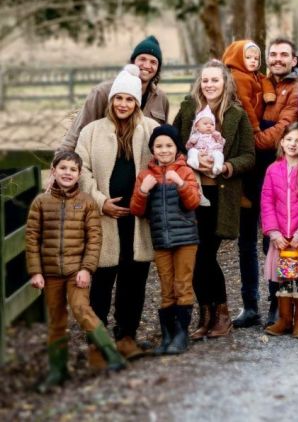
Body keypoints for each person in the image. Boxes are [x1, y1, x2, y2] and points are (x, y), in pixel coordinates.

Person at [75, 65, 158, 362]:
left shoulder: (149, 129)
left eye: (129, 99)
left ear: (137, 102)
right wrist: (100, 201)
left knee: (134, 280)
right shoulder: (92, 131)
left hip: (137, 220)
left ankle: (126, 338)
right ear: (111, 100)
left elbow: (163, 159)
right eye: (118, 98)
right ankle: (97, 344)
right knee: (100, 283)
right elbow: (81, 170)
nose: (123, 104)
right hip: (103, 220)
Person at [26, 151, 127, 389]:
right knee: (56, 321)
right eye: (63, 168)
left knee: (82, 309)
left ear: (79, 174)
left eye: (72, 170)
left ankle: (112, 355)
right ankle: (58, 371)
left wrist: (86, 269)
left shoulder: (86, 202)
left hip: (76, 272)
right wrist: (36, 271)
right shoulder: (41, 202)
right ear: (54, 170)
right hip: (50, 272)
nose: (67, 173)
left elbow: (94, 239)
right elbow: (31, 238)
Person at [172, 59, 255, 340]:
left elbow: (248, 155)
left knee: (204, 253)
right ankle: (205, 315)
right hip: (190, 192)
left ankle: (221, 314)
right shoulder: (187, 109)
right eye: (205, 80)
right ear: (200, 83)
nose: (209, 85)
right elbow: (171, 145)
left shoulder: (236, 115)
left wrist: (228, 166)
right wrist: (190, 161)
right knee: (193, 254)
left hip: (220, 194)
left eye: (215, 80)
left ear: (225, 83)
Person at [129, 124, 201, 356]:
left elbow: (193, 203)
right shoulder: (145, 175)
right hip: (161, 240)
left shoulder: (185, 171)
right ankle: (168, 335)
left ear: (176, 147)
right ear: (152, 149)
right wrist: (143, 192)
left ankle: (182, 335)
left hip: (186, 240)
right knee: (166, 287)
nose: (164, 150)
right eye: (158, 146)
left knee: (182, 284)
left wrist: (180, 184)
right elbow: (136, 210)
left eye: (168, 145)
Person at [254, 37, 298, 327]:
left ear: (294, 60)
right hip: (260, 171)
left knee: (287, 237)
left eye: (285, 54)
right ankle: (272, 298)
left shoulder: (297, 89)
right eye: (274, 54)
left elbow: (285, 126)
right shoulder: (259, 84)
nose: (278, 59)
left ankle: (285, 303)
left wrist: (255, 137)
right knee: (266, 239)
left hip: (286, 169)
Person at [261, 122, 298, 339]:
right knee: (285, 279)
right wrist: (274, 232)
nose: (293, 144)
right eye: (289, 140)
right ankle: (285, 319)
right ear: (282, 142)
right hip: (281, 239)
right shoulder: (273, 169)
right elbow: (267, 202)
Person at [58, 35, 169, 153]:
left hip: (143, 166)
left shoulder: (161, 99)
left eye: (153, 62)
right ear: (132, 62)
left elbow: (164, 139)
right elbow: (77, 132)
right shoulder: (102, 92)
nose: (147, 65)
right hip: (104, 163)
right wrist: (61, 161)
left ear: (158, 68)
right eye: (142, 59)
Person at [222, 40, 275, 132]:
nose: (253, 61)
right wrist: (254, 125)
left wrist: (269, 92)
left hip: (259, 116)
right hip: (248, 122)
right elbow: (244, 103)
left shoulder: (253, 73)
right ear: (238, 58)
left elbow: (264, 80)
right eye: (248, 57)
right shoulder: (239, 77)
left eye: (256, 58)